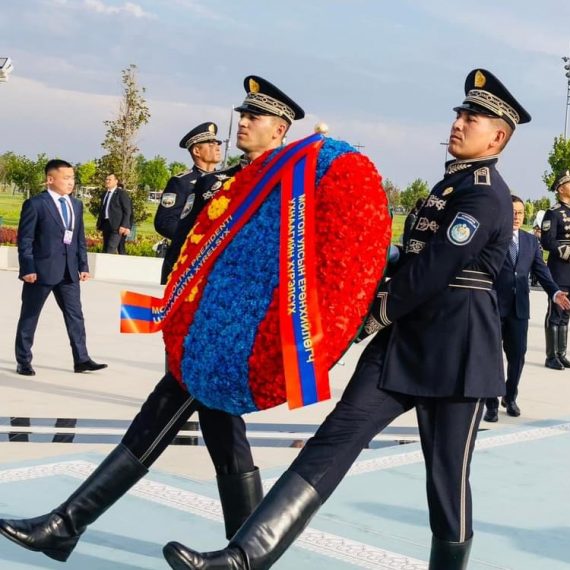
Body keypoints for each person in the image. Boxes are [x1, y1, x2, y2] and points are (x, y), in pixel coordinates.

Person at [3, 75, 393, 565]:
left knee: (170, 419)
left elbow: (300, 255)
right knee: (216, 435)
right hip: (208, 330)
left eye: (255, 117)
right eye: (243, 114)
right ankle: (237, 552)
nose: (243, 122)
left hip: (232, 335)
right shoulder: (232, 179)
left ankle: (69, 524)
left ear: (280, 130)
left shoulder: (289, 182)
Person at [164, 68, 527, 570]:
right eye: (461, 113)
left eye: (473, 117)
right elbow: (412, 256)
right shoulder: (450, 185)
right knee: (335, 439)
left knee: (446, 478)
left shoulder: (485, 194)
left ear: (499, 136)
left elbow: (434, 268)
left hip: (457, 353)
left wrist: (370, 314)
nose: (460, 122)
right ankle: (246, 556)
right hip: (405, 344)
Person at [13, 159, 107, 378]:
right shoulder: (36, 204)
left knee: (76, 315)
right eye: (66, 178)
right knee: (30, 316)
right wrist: (28, 268)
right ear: (50, 179)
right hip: (40, 272)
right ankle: (24, 360)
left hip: (69, 272)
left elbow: (79, 239)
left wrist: (83, 265)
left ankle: (81, 359)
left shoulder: (76, 205)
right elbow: (25, 240)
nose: (70, 182)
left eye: (72, 178)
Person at [485, 196, 570, 422]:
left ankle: (510, 396)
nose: (516, 216)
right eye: (512, 211)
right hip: (493, 308)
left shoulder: (531, 242)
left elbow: (541, 271)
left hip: (519, 310)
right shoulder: (492, 238)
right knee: (491, 358)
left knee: (518, 356)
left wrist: (555, 293)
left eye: (520, 213)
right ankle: (491, 404)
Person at [154, 122, 223, 283]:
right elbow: (164, 222)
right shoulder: (181, 182)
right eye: (211, 144)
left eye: (218, 143)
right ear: (197, 151)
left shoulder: (226, 181)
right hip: (184, 260)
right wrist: (197, 237)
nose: (218, 147)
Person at [541, 171, 570, 371]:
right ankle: (551, 356)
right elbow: (547, 241)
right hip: (560, 268)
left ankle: (562, 354)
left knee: (567, 313)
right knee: (556, 313)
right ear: (560, 189)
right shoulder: (553, 213)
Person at [97, 173, 133, 255]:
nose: (107, 181)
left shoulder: (121, 193)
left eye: (110, 179)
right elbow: (103, 209)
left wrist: (125, 226)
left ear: (116, 181)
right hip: (106, 224)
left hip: (117, 226)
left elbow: (127, 211)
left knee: (111, 248)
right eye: (106, 179)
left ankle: (108, 265)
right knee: (105, 248)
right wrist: (99, 223)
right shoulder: (104, 194)